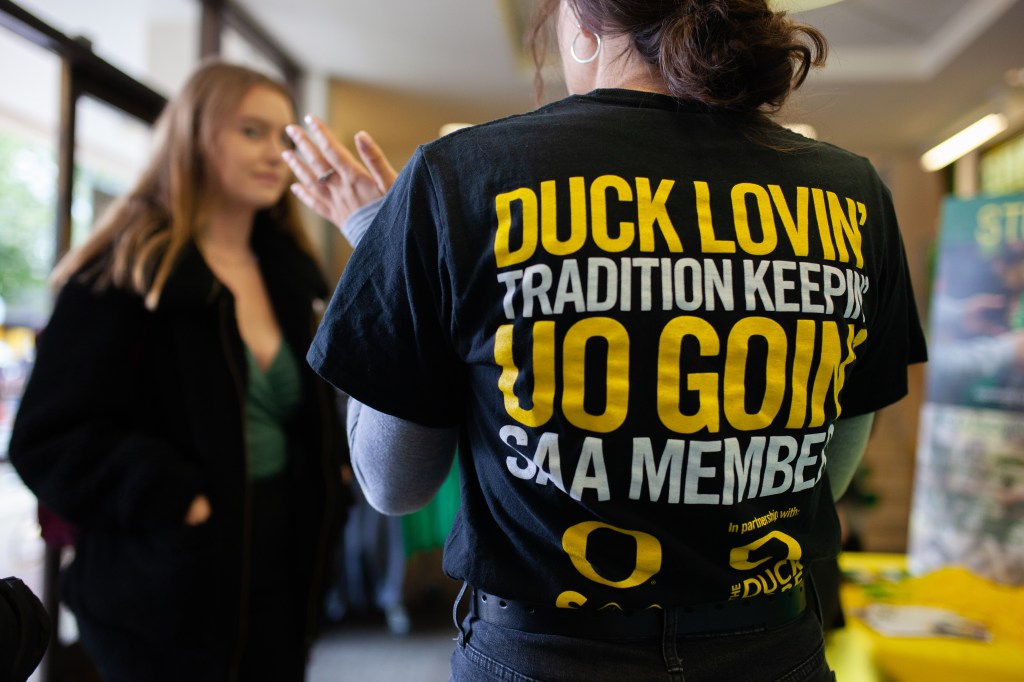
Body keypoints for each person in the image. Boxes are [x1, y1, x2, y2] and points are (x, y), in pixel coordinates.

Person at [286, 1, 927, 680]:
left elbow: (393, 482)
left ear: (583, 25)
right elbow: (826, 472)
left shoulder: (460, 177)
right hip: (771, 650)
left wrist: (381, 238)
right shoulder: (854, 193)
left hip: (545, 655)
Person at [8, 59, 347, 682]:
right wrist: (173, 497)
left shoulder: (293, 276)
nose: (274, 153)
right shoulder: (129, 270)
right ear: (194, 135)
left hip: (280, 574)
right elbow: (47, 438)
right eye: (251, 131)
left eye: (284, 137)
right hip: (162, 585)